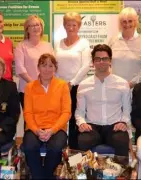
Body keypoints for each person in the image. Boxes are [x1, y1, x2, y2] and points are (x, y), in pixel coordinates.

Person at [76, 44, 131, 159]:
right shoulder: (84, 85)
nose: (101, 62)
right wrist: (81, 123)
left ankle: (120, 174)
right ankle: (87, 174)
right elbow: (79, 112)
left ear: (110, 61)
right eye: (98, 59)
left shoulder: (122, 83)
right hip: (92, 127)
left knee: (122, 141)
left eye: (105, 59)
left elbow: (127, 109)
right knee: (82, 140)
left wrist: (124, 122)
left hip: (115, 126)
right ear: (93, 62)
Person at [22, 53, 71, 179]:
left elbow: (66, 112)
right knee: (29, 147)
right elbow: (28, 113)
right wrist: (36, 130)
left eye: (51, 66)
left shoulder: (62, 85)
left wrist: (52, 130)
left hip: (57, 128)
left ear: (55, 68)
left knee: (55, 149)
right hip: (35, 128)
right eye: (44, 65)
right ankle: (39, 176)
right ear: (38, 67)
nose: (47, 69)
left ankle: (47, 176)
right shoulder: (29, 87)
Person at [54, 12, 91, 149]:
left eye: (74, 25)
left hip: (77, 87)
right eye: (68, 24)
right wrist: (60, 83)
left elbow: (86, 66)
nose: (71, 28)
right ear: (64, 26)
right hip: (60, 86)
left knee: (76, 118)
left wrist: (72, 83)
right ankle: (60, 149)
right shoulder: (59, 43)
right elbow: (54, 65)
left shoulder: (84, 43)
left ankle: (75, 152)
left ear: (79, 26)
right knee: (61, 118)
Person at [14, 15, 54, 109]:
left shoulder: (48, 46)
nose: (36, 28)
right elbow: (20, 69)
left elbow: (53, 67)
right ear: (27, 29)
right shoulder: (21, 46)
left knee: (45, 119)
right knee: (30, 121)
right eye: (32, 26)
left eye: (37, 25)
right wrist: (35, 85)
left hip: (46, 90)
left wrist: (44, 86)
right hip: (28, 90)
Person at [107, 7, 141, 88]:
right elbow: (107, 63)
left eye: (130, 21)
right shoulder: (112, 40)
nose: (127, 24)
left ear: (135, 22)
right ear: (120, 23)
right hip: (114, 87)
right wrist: (113, 81)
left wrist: (132, 83)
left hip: (137, 89)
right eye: (124, 21)